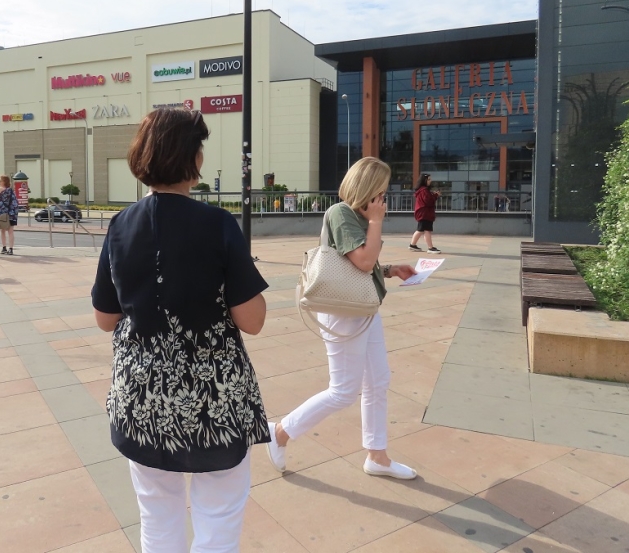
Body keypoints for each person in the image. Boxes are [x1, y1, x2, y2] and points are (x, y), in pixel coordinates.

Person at [91, 108, 270, 553]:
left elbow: (105, 318)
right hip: (214, 401)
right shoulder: (217, 224)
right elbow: (253, 320)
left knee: (157, 518)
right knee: (219, 515)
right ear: (194, 158)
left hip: (142, 399)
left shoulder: (120, 224)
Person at [266, 157, 419, 480]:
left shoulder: (359, 216)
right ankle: (279, 433)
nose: (385, 196)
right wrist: (375, 221)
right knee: (343, 390)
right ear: (368, 187)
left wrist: (391, 269)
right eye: (382, 188)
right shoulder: (342, 213)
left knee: (378, 380)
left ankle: (377, 456)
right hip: (343, 311)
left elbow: (361, 265)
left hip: (362, 308)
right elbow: (362, 261)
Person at [409, 173, 441, 253]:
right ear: (424, 180)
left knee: (421, 230)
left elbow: (427, 200)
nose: (430, 181)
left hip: (423, 213)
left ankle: (413, 245)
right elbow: (428, 201)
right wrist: (435, 196)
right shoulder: (424, 190)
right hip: (425, 213)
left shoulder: (422, 190)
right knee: (426, 230)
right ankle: (430, 247)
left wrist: (434, 195)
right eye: (429, 179)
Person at [0, 174, 19, 255]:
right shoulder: (11, 191)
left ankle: (4, 247)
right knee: (11, 232)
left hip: (3, 213)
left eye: (0, 181)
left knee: (2, 231)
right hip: (12, 214)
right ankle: (11, 249)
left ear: (4, 182)